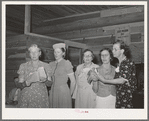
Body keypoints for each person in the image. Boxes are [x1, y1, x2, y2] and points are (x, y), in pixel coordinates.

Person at [89, 40, 137, 108]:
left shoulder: (117, 68)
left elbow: (123, 80)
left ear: (110, 57)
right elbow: (95, 90)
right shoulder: (96, 70)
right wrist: (95, 80)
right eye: (102, 55)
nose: (104, 57)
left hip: (116, 99)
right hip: (102, 99)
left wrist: (104, 80)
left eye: (106, 55)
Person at [49, 43, 76, 108]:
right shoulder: (50, 64)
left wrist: (69, 94)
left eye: (58, 52)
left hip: (63, 92)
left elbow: (73, 81)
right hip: (53, 91)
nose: (56, 54)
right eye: (55, 52)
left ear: (63, 53)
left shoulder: (66, 63)